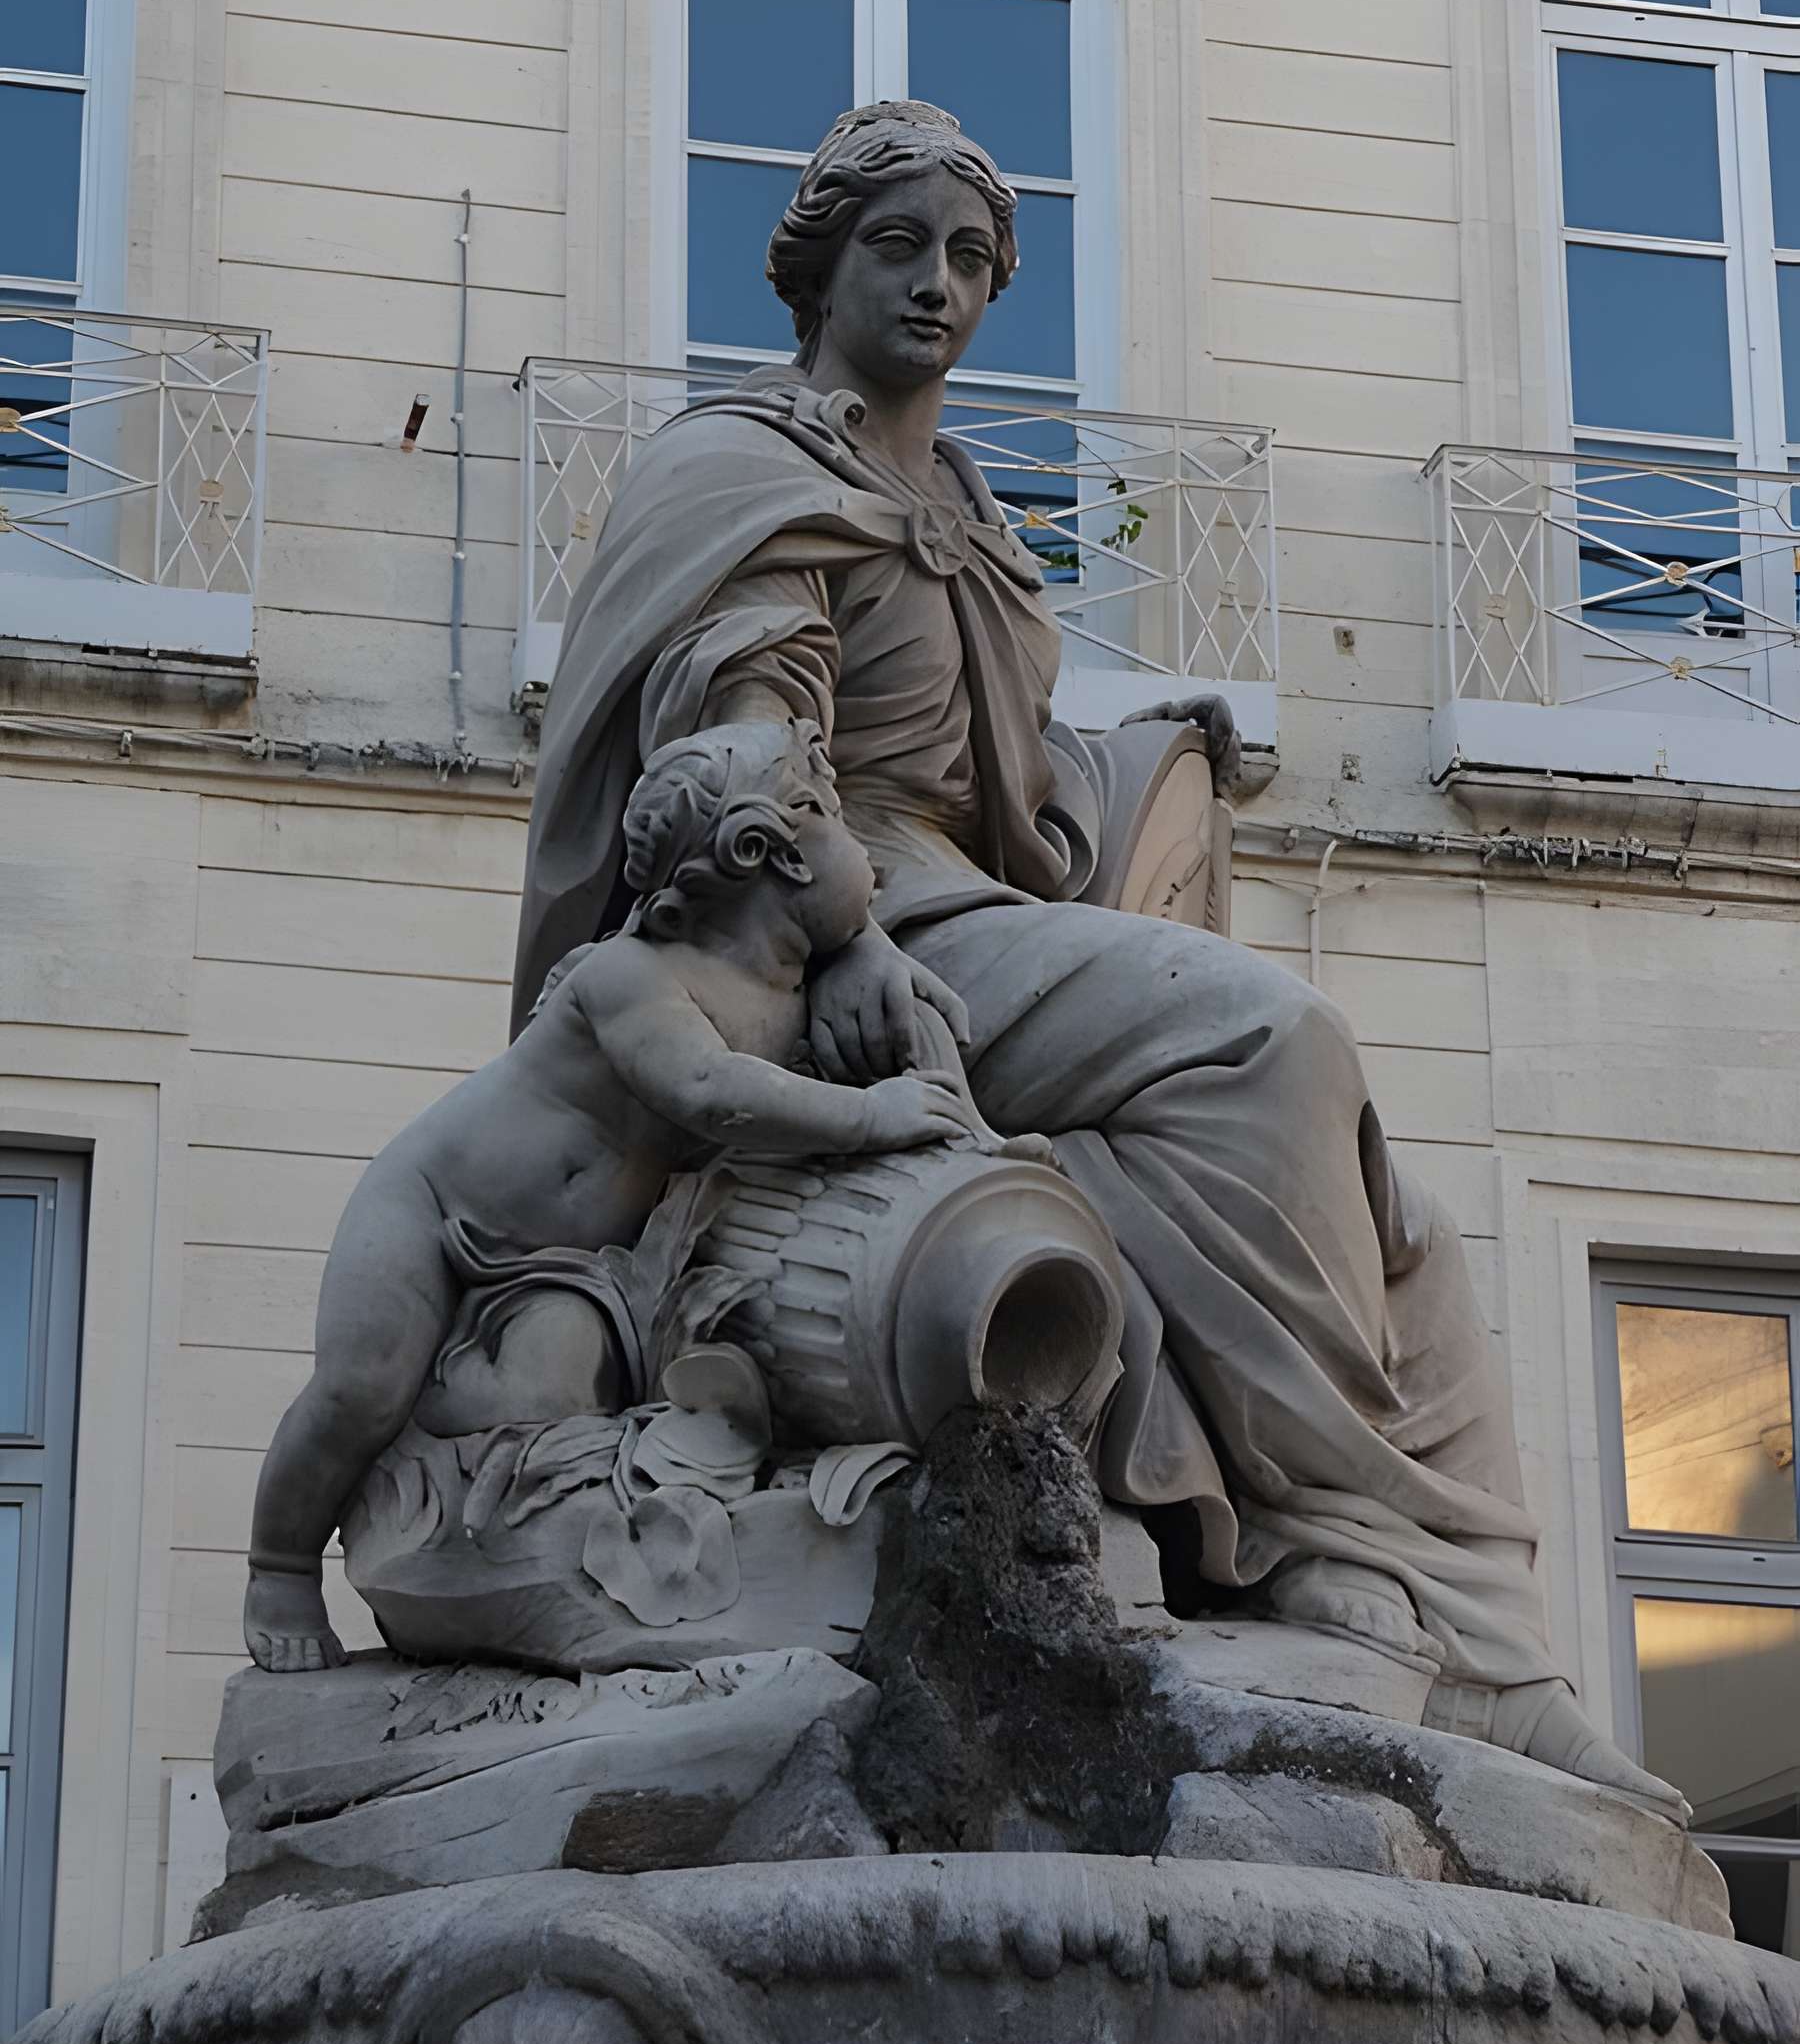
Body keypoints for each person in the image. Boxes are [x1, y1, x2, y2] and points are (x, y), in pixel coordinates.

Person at [511, 100, 1683, 1817]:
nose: (939, 287)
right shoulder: (744, 470)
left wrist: (1126, 777)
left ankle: (1483, 1647)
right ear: (818, 264)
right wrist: (829, 941)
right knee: (1274, 1041)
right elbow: (745, 758)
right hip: (845, 930)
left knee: (1392, 1214)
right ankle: (1329, 1546)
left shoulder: (971, 508)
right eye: (900, 247)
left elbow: (1012, 795)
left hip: (975, 909)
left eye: (974, 259)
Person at [243, 719, 981, 1673]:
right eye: (834, 818)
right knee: (360, 1388)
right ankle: (280, 1562)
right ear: (764, 854)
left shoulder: (793, 982)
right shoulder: (627, 976)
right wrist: (874, 1114)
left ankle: (488, 1514)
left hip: (580, 1269)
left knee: (551, 1402)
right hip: (432, 1211)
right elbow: (712, 1095)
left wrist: (889, 973)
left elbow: (851, 942)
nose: (868, 855)